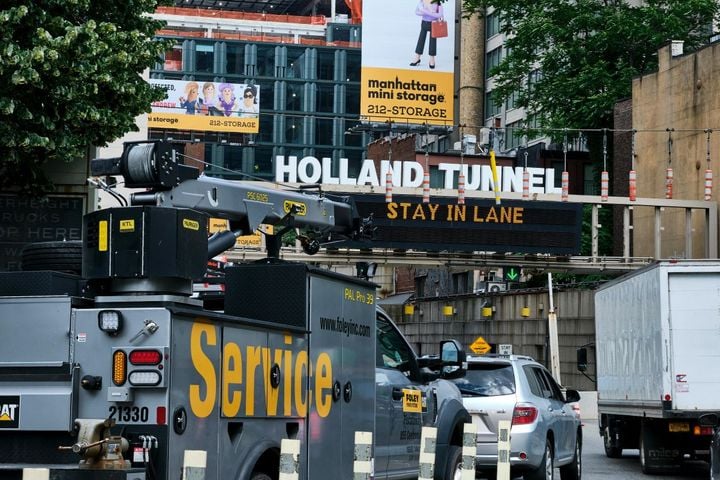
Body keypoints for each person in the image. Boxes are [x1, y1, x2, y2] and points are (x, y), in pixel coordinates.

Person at [410, 0, 444, 69]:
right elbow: (416, 12)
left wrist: (424, 11)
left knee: (433, 41)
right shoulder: (422, 2)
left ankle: (432, 59)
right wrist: (431, 12)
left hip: (434, 24)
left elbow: (440, 14)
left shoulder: (438, 3)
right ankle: (417, 57)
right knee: (421, 40)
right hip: (424, 23)